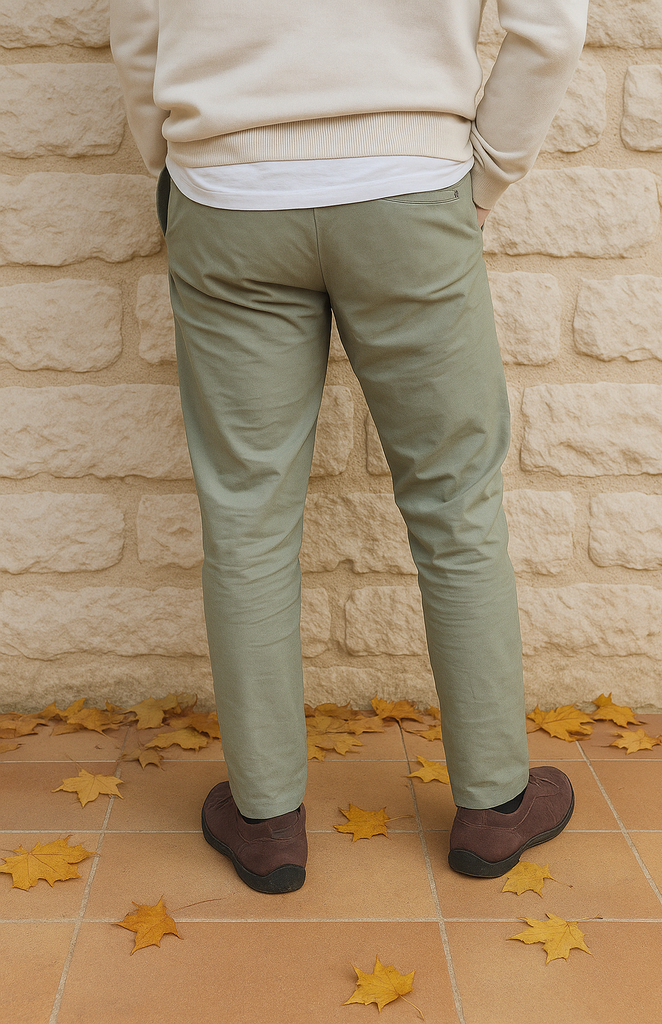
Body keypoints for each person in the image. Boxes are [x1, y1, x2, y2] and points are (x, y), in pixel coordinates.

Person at [110, 0, 589, 894]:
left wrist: (179, 168)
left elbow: (139, 25)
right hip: (408, 190)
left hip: (228, 193)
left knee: (247, 513)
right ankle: (493, 806)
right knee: (454, 500)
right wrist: (487, 174)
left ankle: (266, 821)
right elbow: (550, 23)